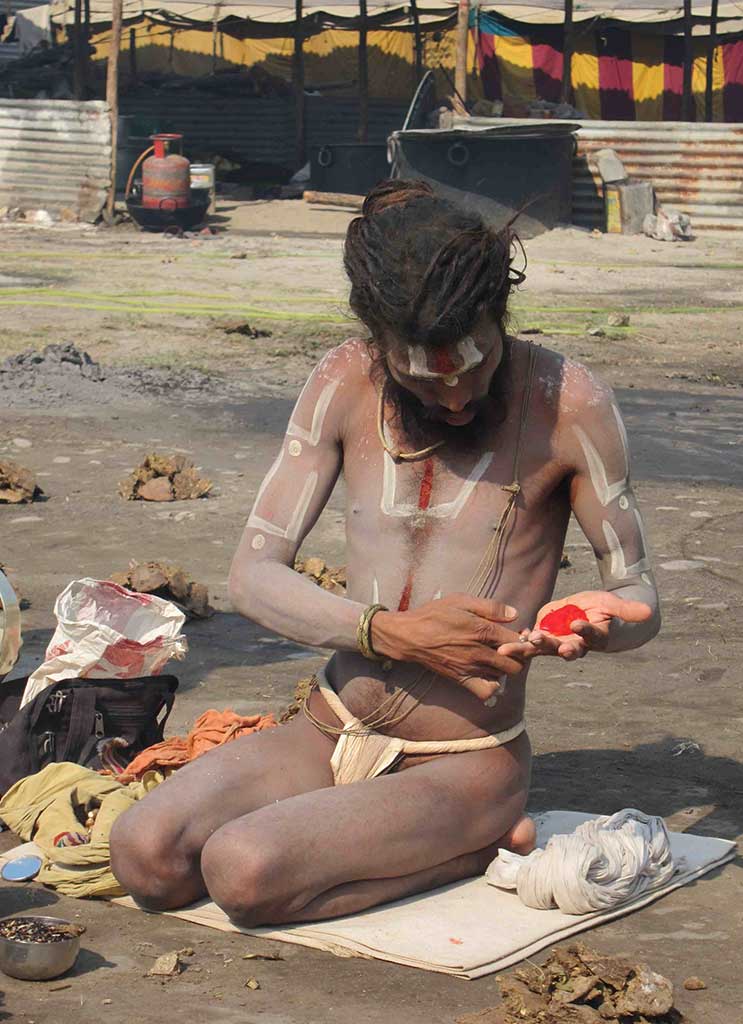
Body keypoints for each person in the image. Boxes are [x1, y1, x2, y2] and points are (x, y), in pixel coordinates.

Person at [111, 181, 660, 926]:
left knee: (241, 872)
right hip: (331, 726)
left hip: (464, 761)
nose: (459, 395)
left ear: (500, 317)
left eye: (477, 364)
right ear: (378, 344)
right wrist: (388, 631)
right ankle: (390, 838)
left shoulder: (570, 404)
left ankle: (474, 841)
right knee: (145, 855)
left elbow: (640, 596)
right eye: (426, 377)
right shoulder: (342, 381)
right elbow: (252, 577)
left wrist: (609, 622)